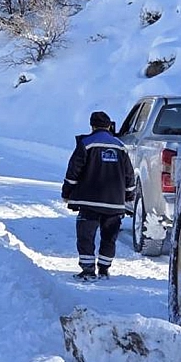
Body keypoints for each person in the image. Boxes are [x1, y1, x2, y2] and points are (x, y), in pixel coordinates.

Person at [61, 111, 136, 280]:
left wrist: (67, 192)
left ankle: (88, 270)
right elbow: (129, 175)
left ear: (92, 126)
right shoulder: (120, 146)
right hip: (114, 203)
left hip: (89, 202)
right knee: (109, 238)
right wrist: (129, 195)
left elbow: (74, 171)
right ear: (109, 126)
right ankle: (104, 269)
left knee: (86, 237)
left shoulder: (86, 144)